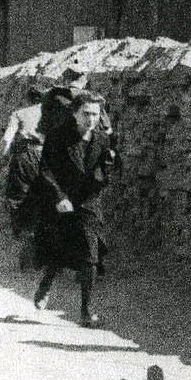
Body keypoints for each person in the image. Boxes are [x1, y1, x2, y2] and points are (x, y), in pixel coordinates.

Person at [32, 92, 117, 328]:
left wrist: (104, 174)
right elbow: (45, 170)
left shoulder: (101, 139)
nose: (91, 119)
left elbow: (104, 168)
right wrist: (59, 197)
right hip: (61, 199)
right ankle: (46, 283)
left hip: (88, 201)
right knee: (60, 249)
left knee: (91, 253)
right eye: (86, 114)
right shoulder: (58, 137)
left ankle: (86, 310)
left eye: (95, 114)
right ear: (75, 113)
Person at [0, 86, 46, 270]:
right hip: (48, 158)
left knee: (18, 199)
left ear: (27, 99)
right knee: (44, 199)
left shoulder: (19, 113)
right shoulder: (54, 114)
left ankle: (28, 237)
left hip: (25, 158)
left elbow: (6, 141)